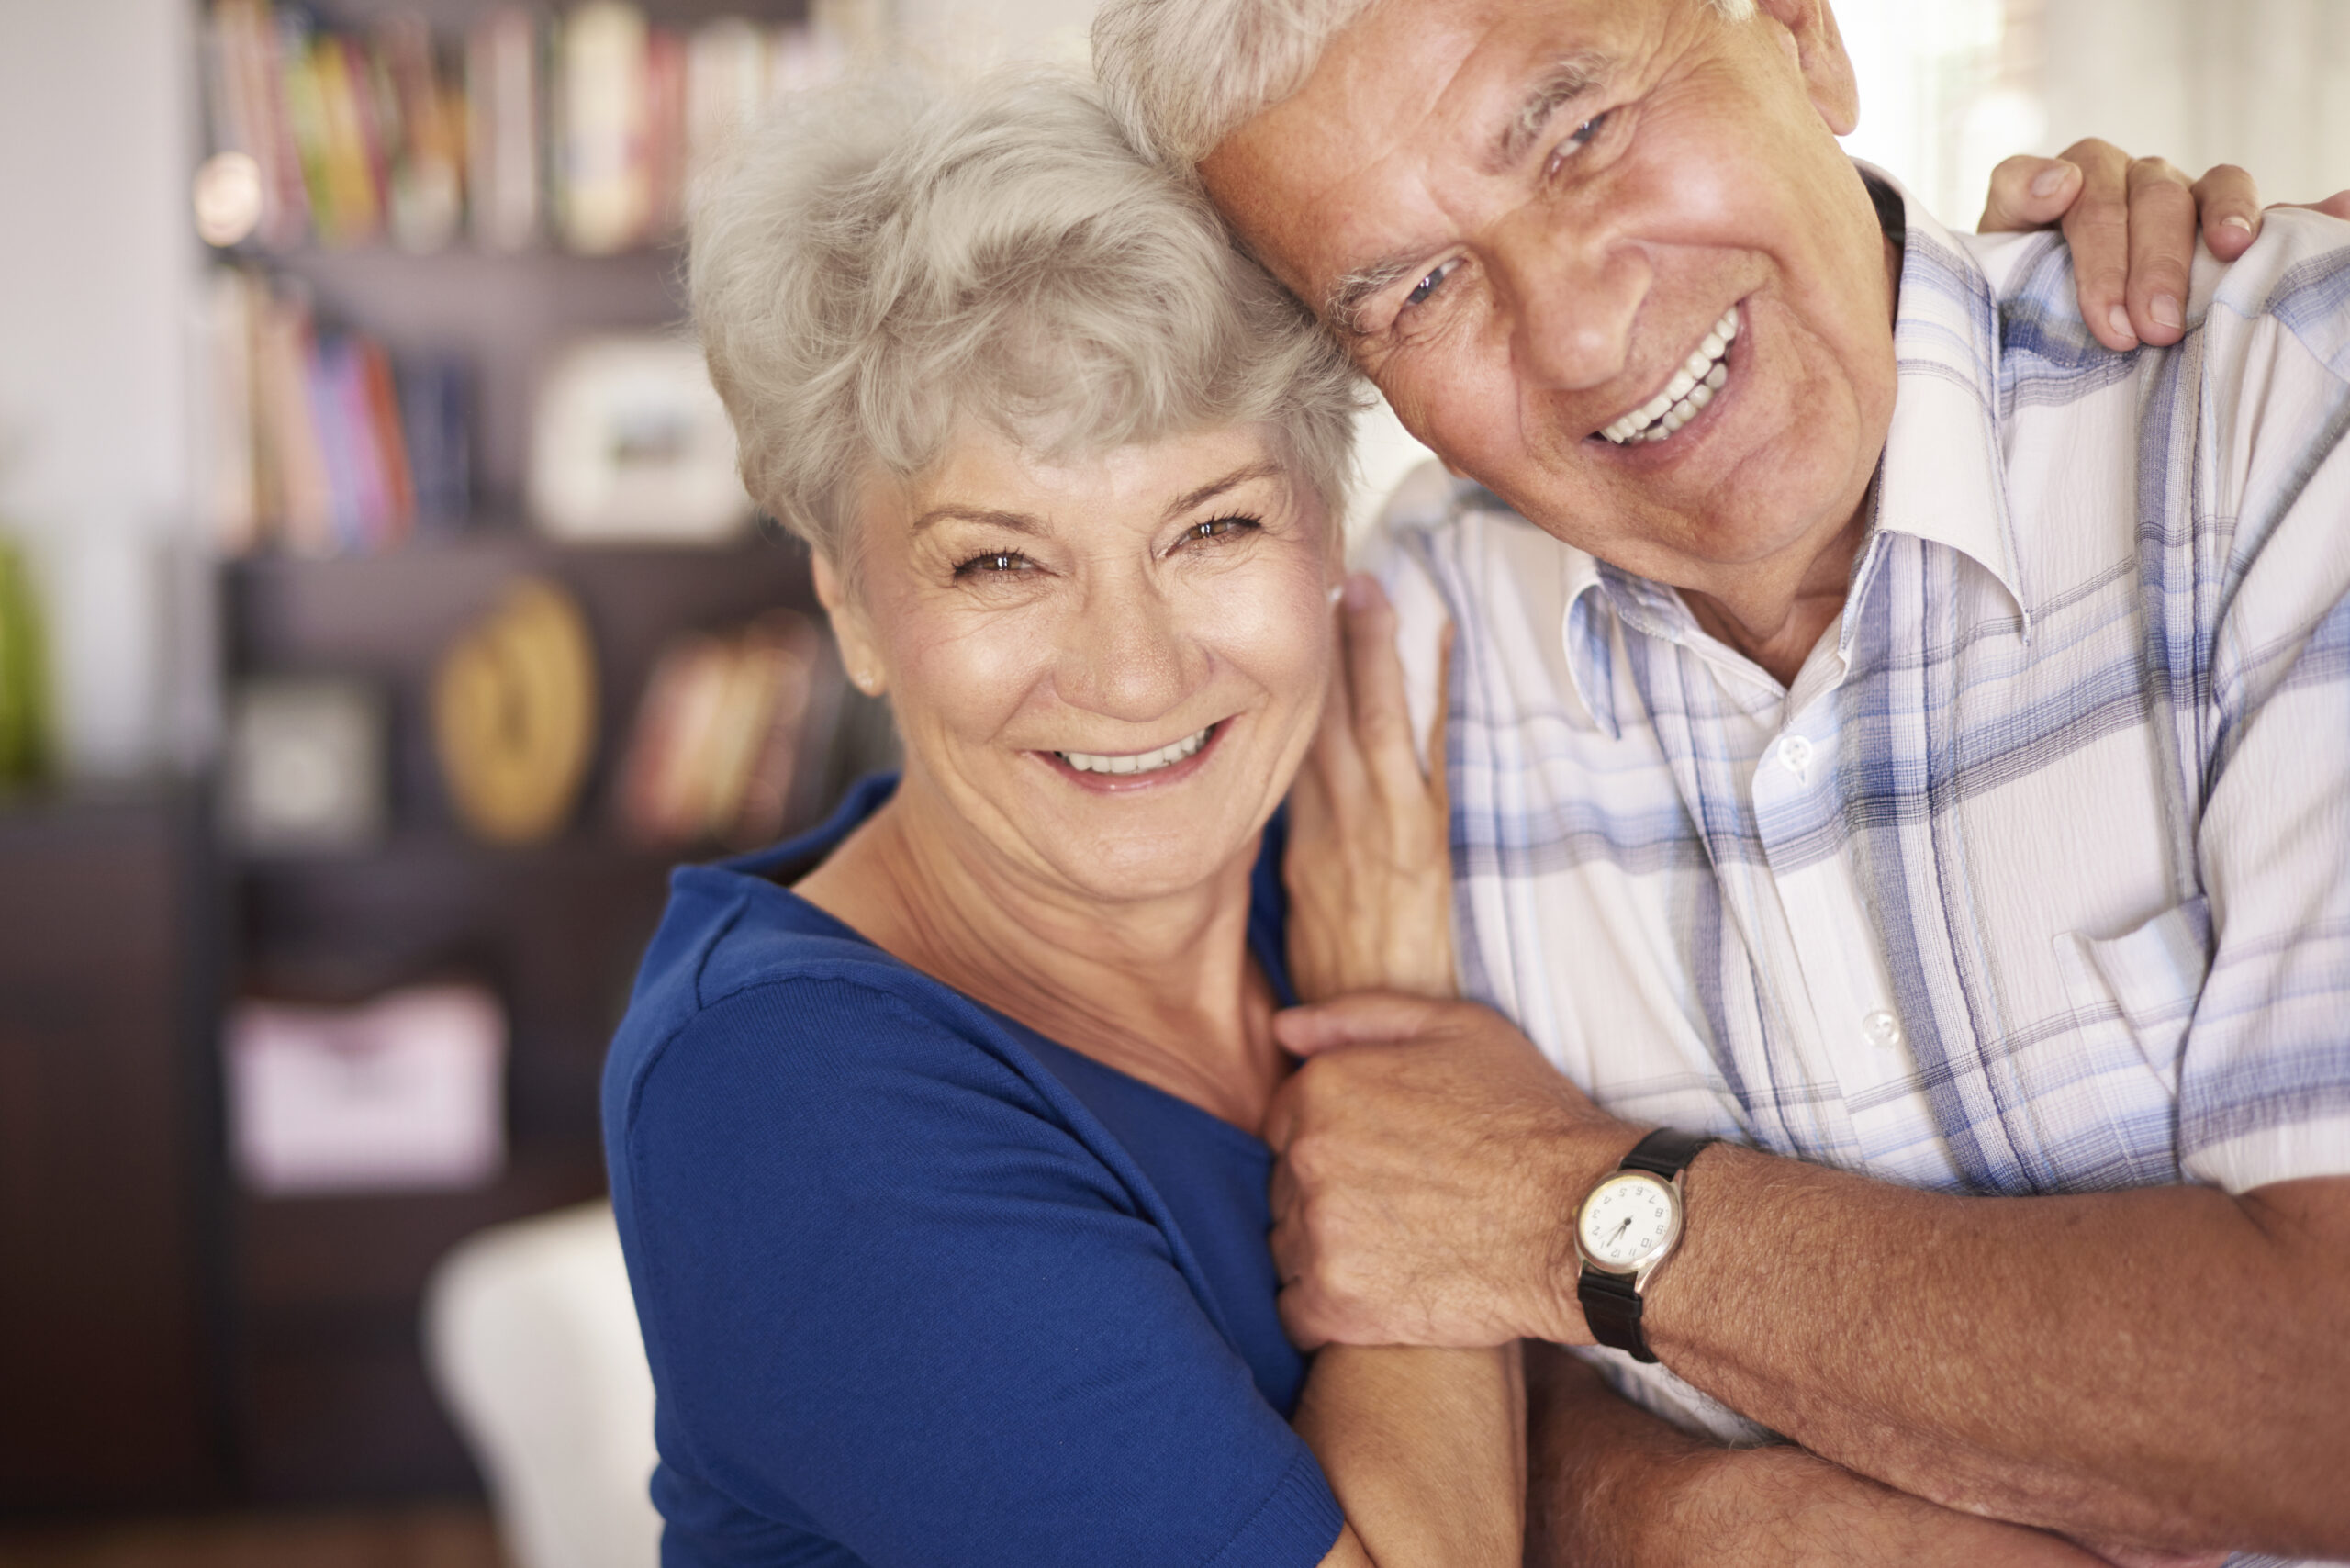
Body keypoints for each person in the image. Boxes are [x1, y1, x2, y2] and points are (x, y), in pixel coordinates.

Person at [1089, 0, 2350, 1563]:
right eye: (1415, 290)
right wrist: (1717, 1524)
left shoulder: (2293, 408)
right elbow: (1356, 1308)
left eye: (1581, 135)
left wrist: (1561, 1213)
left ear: (1801, 38)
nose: (1578, 334)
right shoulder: (1393, 650)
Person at [599, 71, 1522, 1568]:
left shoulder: (1358, 832)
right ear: (851, 605)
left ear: (1328, 527)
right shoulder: (778, 1095)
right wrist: (1408, 1065)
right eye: (999, 564)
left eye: (1214, 526)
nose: (1136, 672)